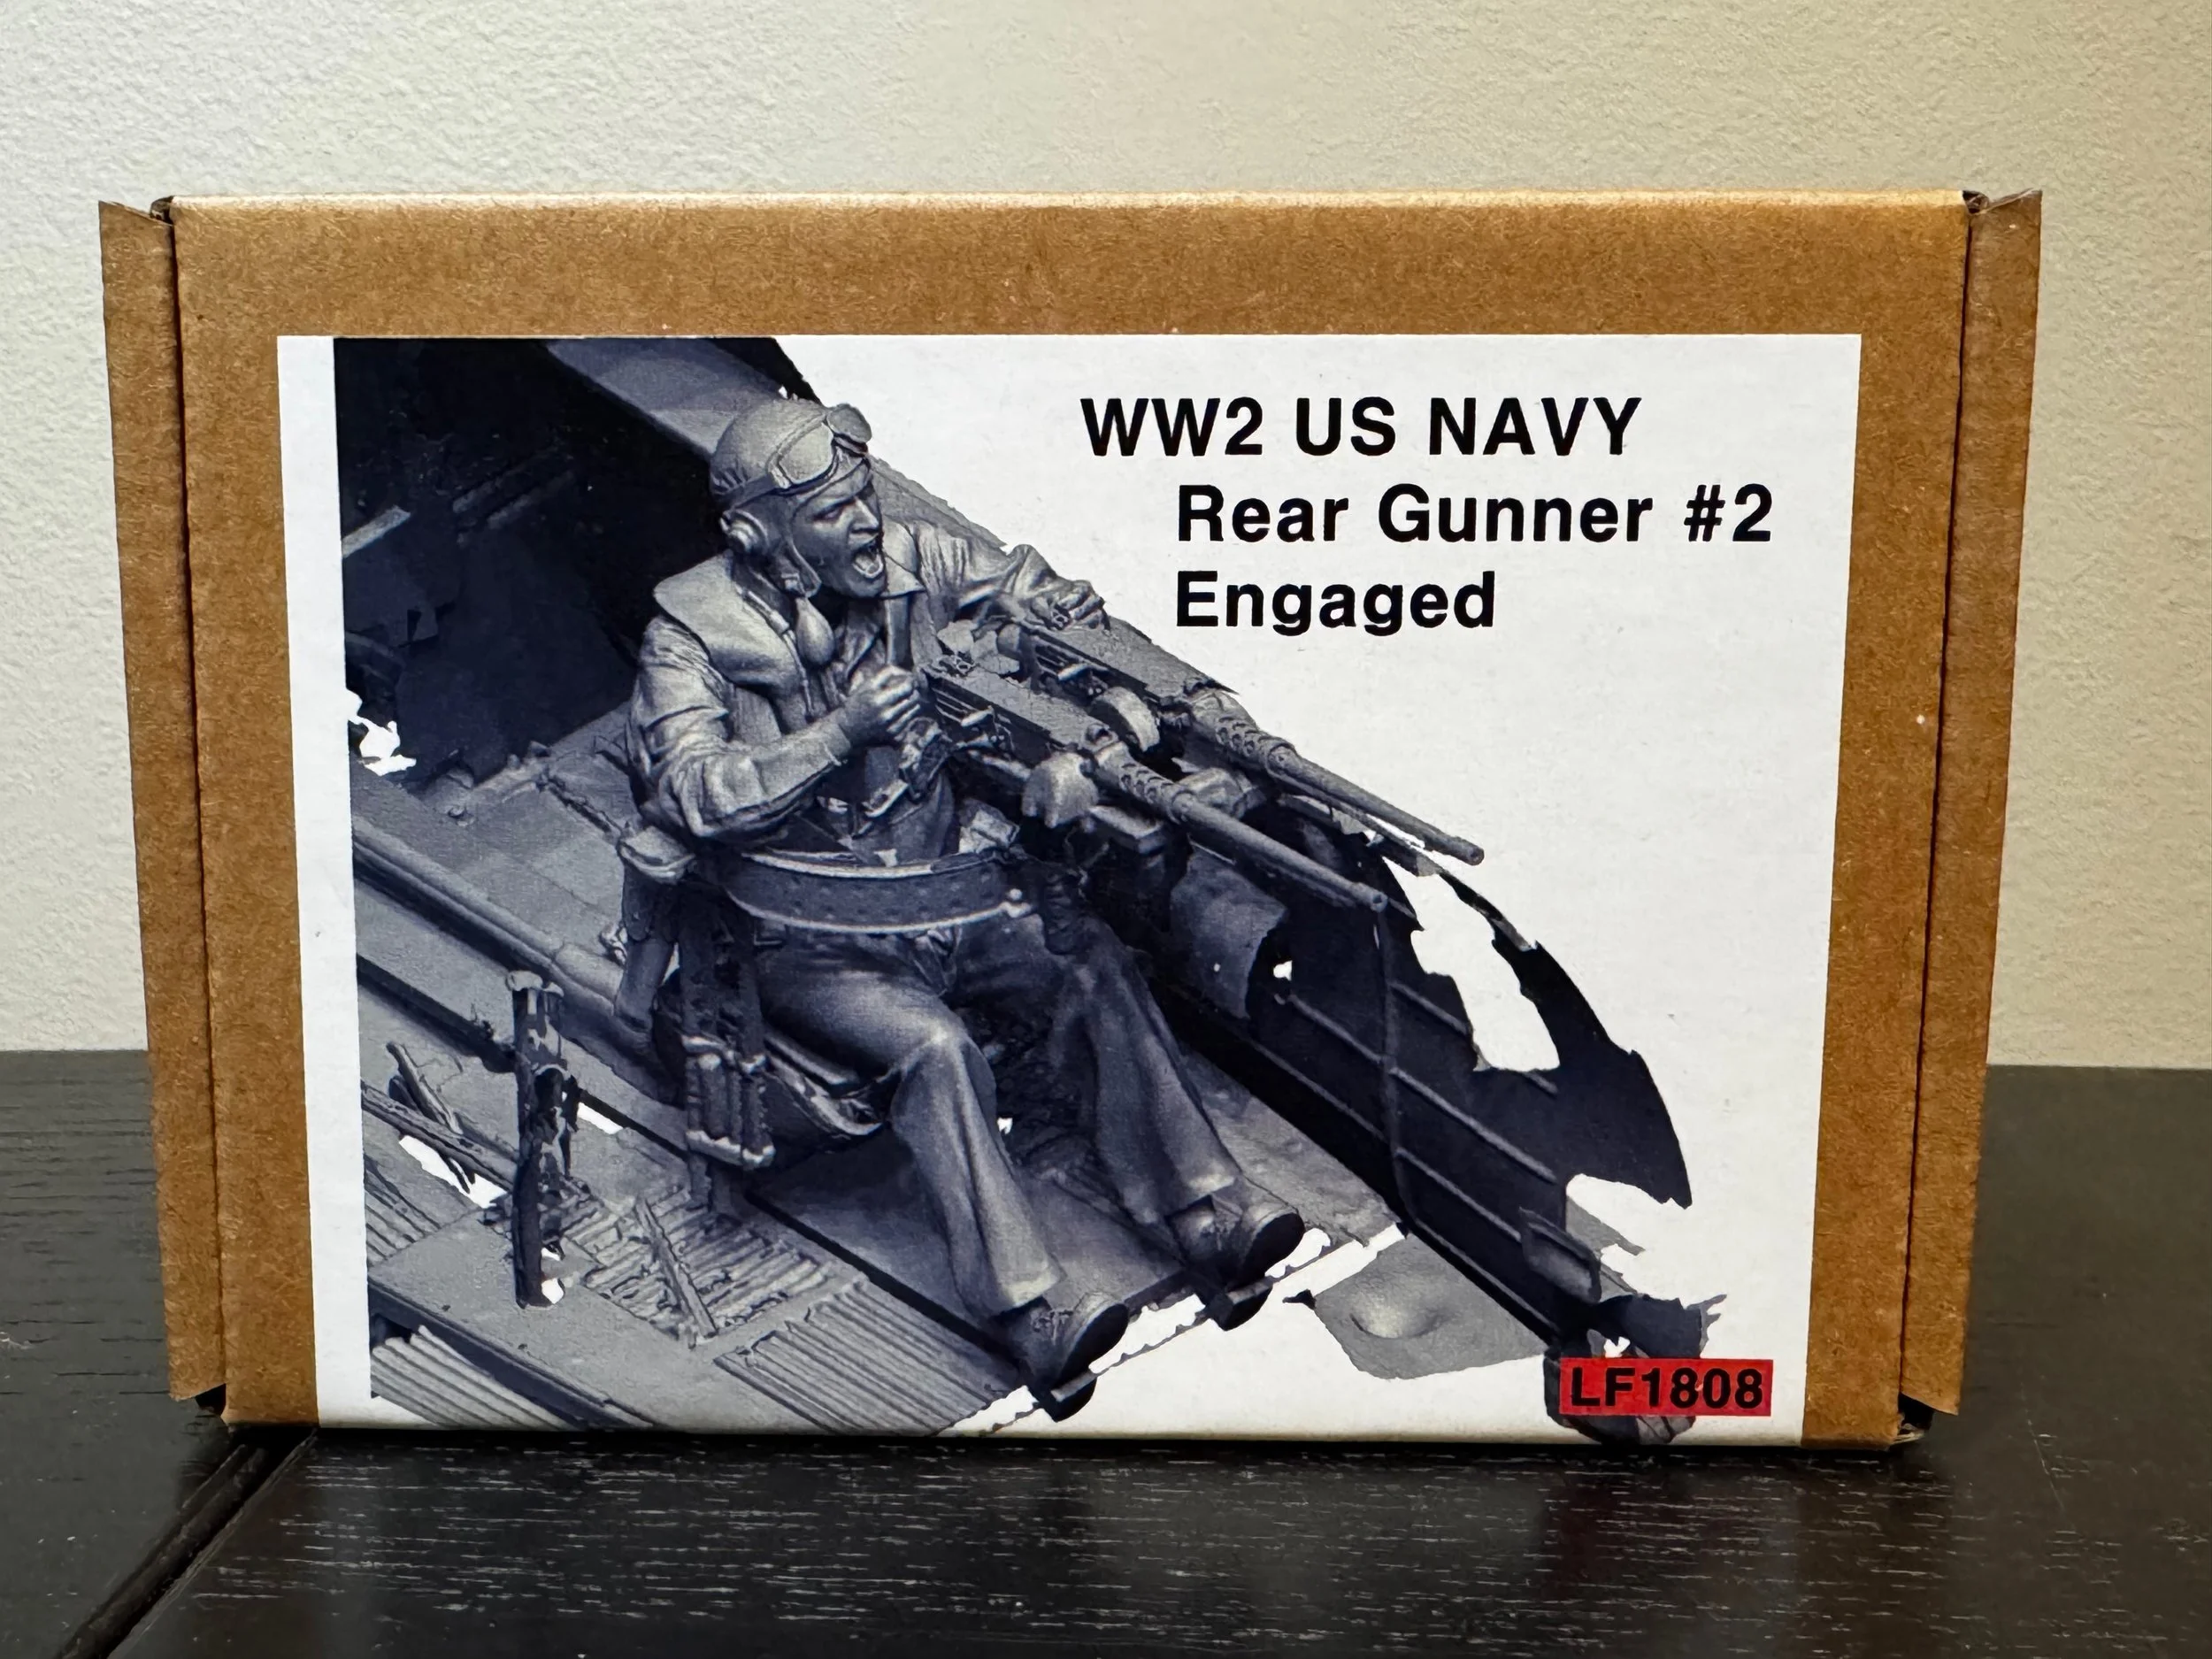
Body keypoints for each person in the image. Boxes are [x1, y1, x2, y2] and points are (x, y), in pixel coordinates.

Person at [625, 396, 1303, 1417]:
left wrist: (1136, 695)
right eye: (832, 512)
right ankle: (1029, 1308)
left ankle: (1203, 1211)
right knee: (935, 1051)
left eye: (863, 495)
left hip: (952, 889)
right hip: (810, 938)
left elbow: (1050, 603)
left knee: (1088, 965)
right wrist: (838, 734)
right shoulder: (686, 641)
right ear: (760, 536)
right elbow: (693, 791)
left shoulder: (914, 560)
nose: (865, 522)